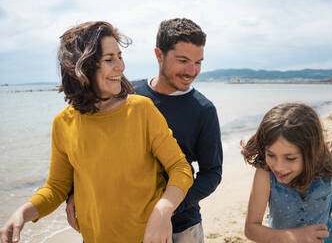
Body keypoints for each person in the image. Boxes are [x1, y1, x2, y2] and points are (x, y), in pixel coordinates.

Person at [0, 21, 193, 243]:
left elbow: (180, 168)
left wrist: (163, 210)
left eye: (119, 56)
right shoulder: (63, 123)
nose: (120, 66)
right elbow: (56, 188)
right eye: (109, 59)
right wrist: (22, 213)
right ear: (83, 68)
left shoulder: (141, 109)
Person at [66, 18, 223, 243]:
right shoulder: (127, 93)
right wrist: (74, 191)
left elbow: (212, 173)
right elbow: (90, 145)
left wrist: (167, 209)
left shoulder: (204, 110)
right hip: (122, 223)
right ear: (159, 55)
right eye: (183, 60)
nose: (192, 70)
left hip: (182, 227)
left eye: (199, 62)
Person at [241, 103, 332, 243]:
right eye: (271, 155)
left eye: (290, 158)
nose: (278, 167)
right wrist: (294, 237)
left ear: (311, 153)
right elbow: (251, 229)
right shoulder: (265, 174)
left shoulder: (329, 167)